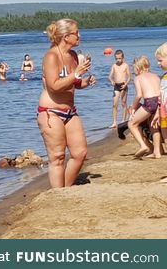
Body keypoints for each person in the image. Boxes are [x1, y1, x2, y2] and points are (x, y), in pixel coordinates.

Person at [37, 19, 95, 188]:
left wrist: (85, 81)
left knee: (80, 153)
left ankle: (65, 190)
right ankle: (58, 194)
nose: (79, 35)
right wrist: (76, 74)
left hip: (70, 111)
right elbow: (54, 86)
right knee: (58, 156)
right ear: (66, 36)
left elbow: (74, 84)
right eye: (76, 33)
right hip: (50, 112)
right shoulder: (51, 56)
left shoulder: (74, 56)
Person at [128, 56, 161, 159]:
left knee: (132, 124)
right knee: (154, 126)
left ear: (138, 68)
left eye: (134, 69)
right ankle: (157, 152)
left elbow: (139, 95)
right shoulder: (155, 76)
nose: (134, 71)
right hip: (159, 102)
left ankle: (143, 146)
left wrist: (133, 108)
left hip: (149, 102)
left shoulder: (138, 78)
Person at [108, 49, 131, 128]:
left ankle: (123, 120)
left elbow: (129, 77)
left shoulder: (125, 65)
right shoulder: (114, 66)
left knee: (123, 103)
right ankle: (114, 122)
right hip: (116, 86)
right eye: (116, 58)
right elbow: (110, 76)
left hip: (123, 85)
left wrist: (126, 84)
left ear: (123, 58)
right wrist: (111, 81)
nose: (118, 60)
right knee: (114, 104)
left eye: (119, 58)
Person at [153, 43, 167, 145]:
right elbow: (159, 96)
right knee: (164, 128)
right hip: (163, 109)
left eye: (160, 60)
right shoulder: (163, 77)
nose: (158, 63)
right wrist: (157, 112)